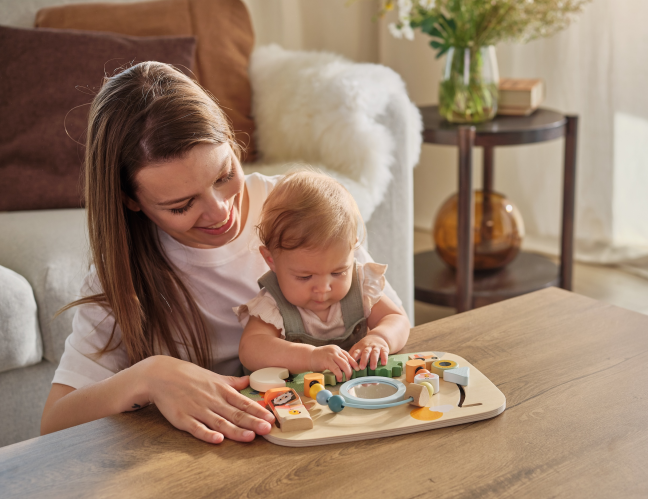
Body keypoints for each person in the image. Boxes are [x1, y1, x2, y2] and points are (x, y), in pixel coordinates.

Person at [40, 61, 406, 444]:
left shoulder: (297, 211)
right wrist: (149, 376)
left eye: (224, 175)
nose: (219, 213)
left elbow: (390, 319)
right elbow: (54, 422)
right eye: (182, 205)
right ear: (131, 201)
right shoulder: (122, 273)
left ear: (231, 142)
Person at [236, 171, 410, 381]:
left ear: (353, 250)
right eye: (305, 277)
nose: (324, 288)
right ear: (271, 259)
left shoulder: (361, 287)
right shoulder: (272, 305)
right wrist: (310, 357)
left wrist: (380, 338)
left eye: (338, 272)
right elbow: (250, 349)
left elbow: (397, 319)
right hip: (295, 399)